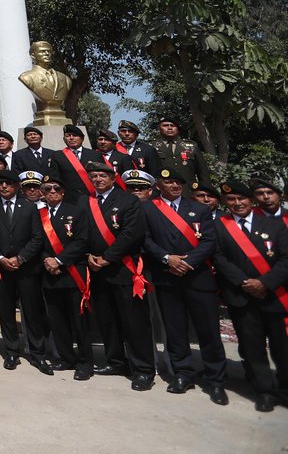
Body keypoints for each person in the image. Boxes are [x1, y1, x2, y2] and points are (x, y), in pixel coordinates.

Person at [142, 166, 228, 404]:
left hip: (197, 277)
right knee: (176, 330)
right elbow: (145, 239)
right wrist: (167, 258)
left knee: (208, 331)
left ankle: (216, 380)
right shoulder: (147, 208)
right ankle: (183, 374)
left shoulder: (199, 208)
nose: (174, 186)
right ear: (158, 185)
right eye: (169, 183)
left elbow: (209, 241)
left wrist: (187, 262)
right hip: (167, 277)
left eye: (179, 182)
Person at [212, 181, 288, 413]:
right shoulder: (219, 225)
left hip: (274, 294)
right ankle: (264, 391)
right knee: (252, 347)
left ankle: (284, 389)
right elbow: (218, 256)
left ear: (251, 200)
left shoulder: (274, 224)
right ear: (226, 203)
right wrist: (244, 282)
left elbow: (286, 258)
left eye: (242, 199)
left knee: (282, 347)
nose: (237, 204)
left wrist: (264, 282)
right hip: (241, 296)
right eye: (232, 200)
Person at [83, 160, 156, 390]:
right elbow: (80, 232)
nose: (98, 180)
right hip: (96, 271)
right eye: (94, 176)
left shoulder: (129, 201)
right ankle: (115, 361)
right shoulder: (87, 202)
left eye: (102, 176)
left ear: (113, 178)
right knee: (108, 320)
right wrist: (87, 255)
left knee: (134, 322)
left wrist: (107, 257)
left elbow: (131, 234)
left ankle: (143, 369)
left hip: (123, 270)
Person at [0, 169, 47, 373]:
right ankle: (11, 351)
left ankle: (38, 354)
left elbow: (37, 238)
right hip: (2, 268)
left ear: (17, 187)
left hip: (26, 268)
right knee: (6, 311)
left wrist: (20, 258)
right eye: (0, 183)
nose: (4, 187)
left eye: (8, 183)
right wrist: (1, 258)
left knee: (32, 312)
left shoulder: (28, 207)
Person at [35, 176, 93, 380]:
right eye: (47, 188)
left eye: (56, 188)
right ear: (42, 193)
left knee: (79, 321)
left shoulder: (76, 212)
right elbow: (37, 242)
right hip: (50, 274)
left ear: (63, 192)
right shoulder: (39, 215)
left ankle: (85, 362)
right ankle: (67, 358)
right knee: (57, 320)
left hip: (72, 272)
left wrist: (59, 261)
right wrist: (47, 261)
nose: (51, 192)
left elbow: (82, 241)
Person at [151, 117, 211, 190]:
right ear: (159, 129)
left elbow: (203, 172)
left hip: (187, 191)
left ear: (178, 129)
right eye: (165, 125)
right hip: (160, 191)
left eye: (173, 126)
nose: (169, 128)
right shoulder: (151, 146)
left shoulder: (191, 146)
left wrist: (205, 190)